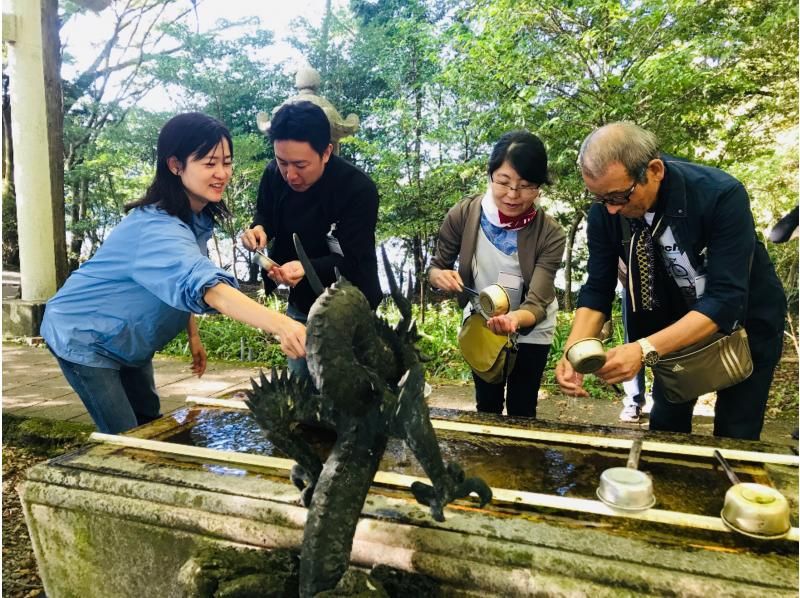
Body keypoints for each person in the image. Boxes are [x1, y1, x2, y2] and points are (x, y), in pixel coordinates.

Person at [41, 113, 307, 435]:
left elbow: (179, 282)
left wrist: (193, 336)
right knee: (128, 440)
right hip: (84, 336)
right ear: (175, 165)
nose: (222, 173)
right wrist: (284, 325)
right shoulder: (155, 227)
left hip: (129, 340)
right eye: (210, 164)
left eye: (226, 162)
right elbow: (209, 287)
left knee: (152, 423)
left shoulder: (194, 220)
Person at [555, 122, 786, 440]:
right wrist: (573, 349)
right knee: (666, 422)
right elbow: (597, 287)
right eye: (599, 199)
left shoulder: (720, 194)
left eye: (619, 196)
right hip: (674, 329)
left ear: (654, 170)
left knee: (736, 431)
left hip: (747, 322)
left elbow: (725, 298)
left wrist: (643, 349)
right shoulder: (607, 212)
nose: (611, 209)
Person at [428, 131, 566, 417]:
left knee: (522, 408)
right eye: (503, 182)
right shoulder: (464, 214)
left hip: (531, 327)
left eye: (526, 186)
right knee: (487, 404)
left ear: (539, 187)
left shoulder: (550, 233)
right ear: (490, 175)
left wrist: (514, 320)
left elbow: (538, 302)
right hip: (483, 321)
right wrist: (439, 276)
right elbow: (435, 267)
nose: (513, 195)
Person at [241, 101, 381, 381]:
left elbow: (353, 258)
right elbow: (265, 213)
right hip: (302, 304)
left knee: (347, 390)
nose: (290, 175)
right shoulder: (273, 175)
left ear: (326, 151)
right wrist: (259, 229)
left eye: (301, 165)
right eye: (283, 162)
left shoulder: (358, 189)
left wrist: (307, 267)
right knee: (302, 387)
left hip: (349, 304)